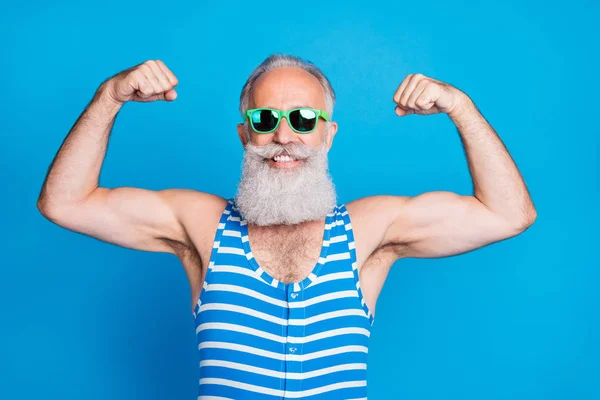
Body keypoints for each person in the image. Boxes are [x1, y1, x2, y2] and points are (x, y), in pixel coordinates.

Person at [37, 54, 536, 399]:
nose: (283, 135)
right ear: (244, 133)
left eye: (302, 118)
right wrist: (110, 96)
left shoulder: (367, 231)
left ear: (327, 135)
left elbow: (509, 214)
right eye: (265, 117)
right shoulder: (202, 225)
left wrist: (461, 109)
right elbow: (65, 202)